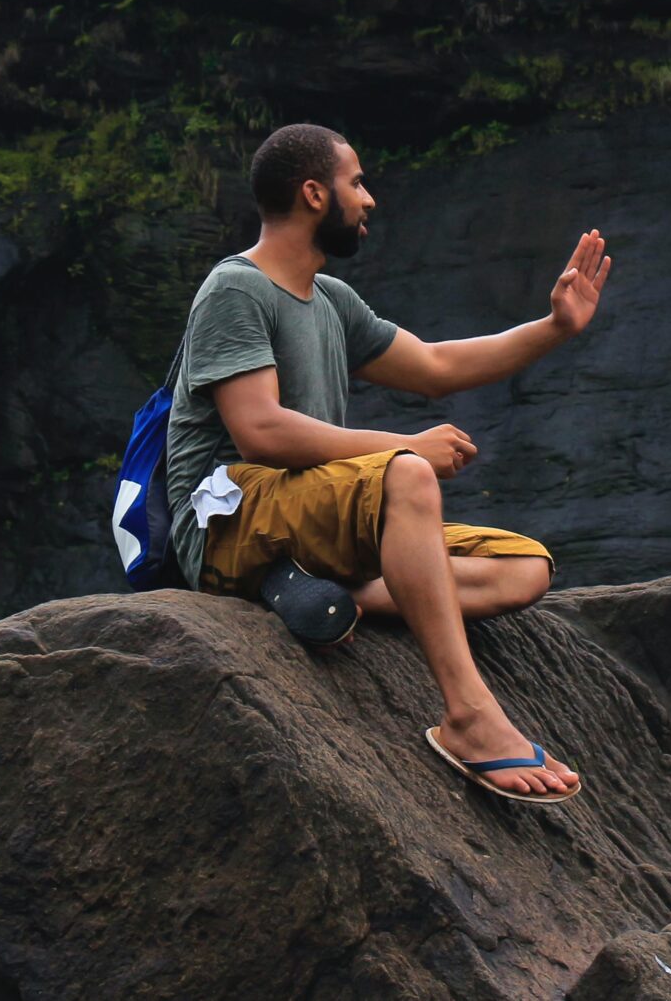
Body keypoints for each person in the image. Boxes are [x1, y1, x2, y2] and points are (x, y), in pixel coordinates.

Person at [161, 123, 611, 802]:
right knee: (407, 474)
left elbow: (435, 367)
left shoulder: (332, 301)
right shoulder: (235, 288)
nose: (369, 200)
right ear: (314, 193)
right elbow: (257, 430)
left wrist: (554, 327)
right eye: (357, 182)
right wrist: (402, 447)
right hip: (230, 515)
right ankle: (469, 716)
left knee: (524, 568)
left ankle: (319, 583)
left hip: (308, 513)